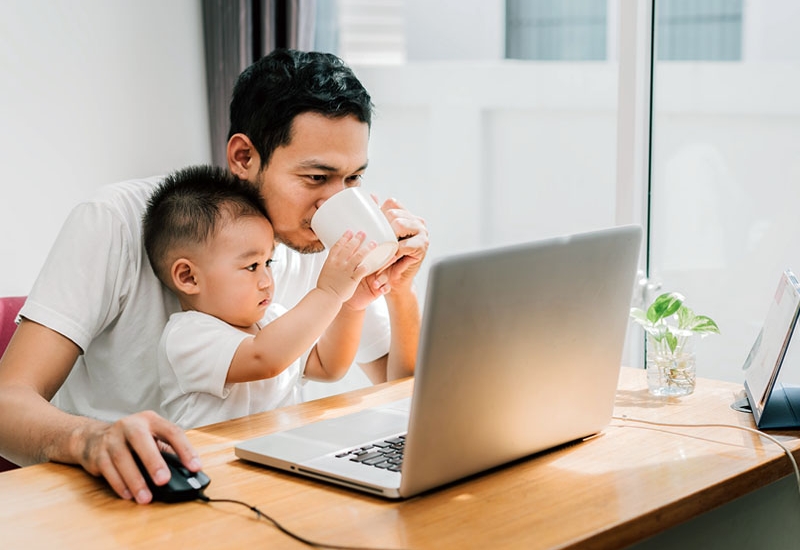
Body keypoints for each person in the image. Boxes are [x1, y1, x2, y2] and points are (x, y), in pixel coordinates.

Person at [0, 49, 428, 504]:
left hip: (255, 488)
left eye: (353, 179)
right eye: (317, 177)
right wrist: (91, 439)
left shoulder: (319, 242)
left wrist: (400, 290)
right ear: (244, 156)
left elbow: (401, 391)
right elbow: (8, 403)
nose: (336, 202)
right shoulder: (116, 220)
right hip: (117, 501)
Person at [143, 165, 382, 429]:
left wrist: (351, 304)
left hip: (274, 457)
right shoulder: (187, 336)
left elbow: (328, 367)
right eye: (251, 266)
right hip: (212, 466)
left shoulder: (274, 319)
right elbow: (264, 358)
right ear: (189, 277)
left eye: (268, 261)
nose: (267, 280)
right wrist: (328, 292)